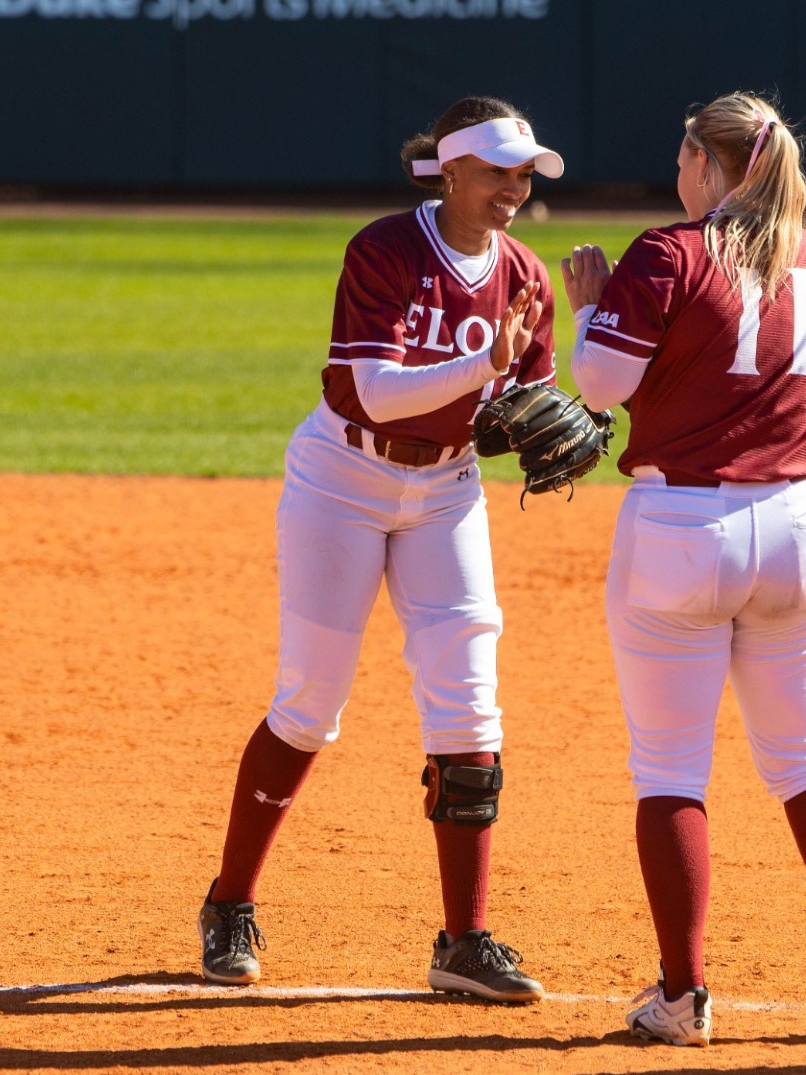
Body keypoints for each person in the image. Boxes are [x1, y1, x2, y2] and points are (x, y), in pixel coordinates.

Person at [562, 91, 806, 1045]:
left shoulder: (668, 252)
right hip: (799, 525)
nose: (677, 173)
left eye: (685, 157)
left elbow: (598, 383)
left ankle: (682, 998)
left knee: (670, 766)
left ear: (712, 168)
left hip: (681, 526)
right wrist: (775, 411)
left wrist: (590, 311)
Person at [198, 96, 559, 1003]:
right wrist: (487, 366)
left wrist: (556, 416)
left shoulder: (527, 275)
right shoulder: (386, 250)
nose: (514, 188)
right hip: (341, 480)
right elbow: (378, 391)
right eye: (499, 171)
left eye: (525, 174)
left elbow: (524, 407)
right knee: (310, 702)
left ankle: (464, 941)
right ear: (451, 169)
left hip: (447, 490)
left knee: (469, 701)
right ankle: (230, 902)